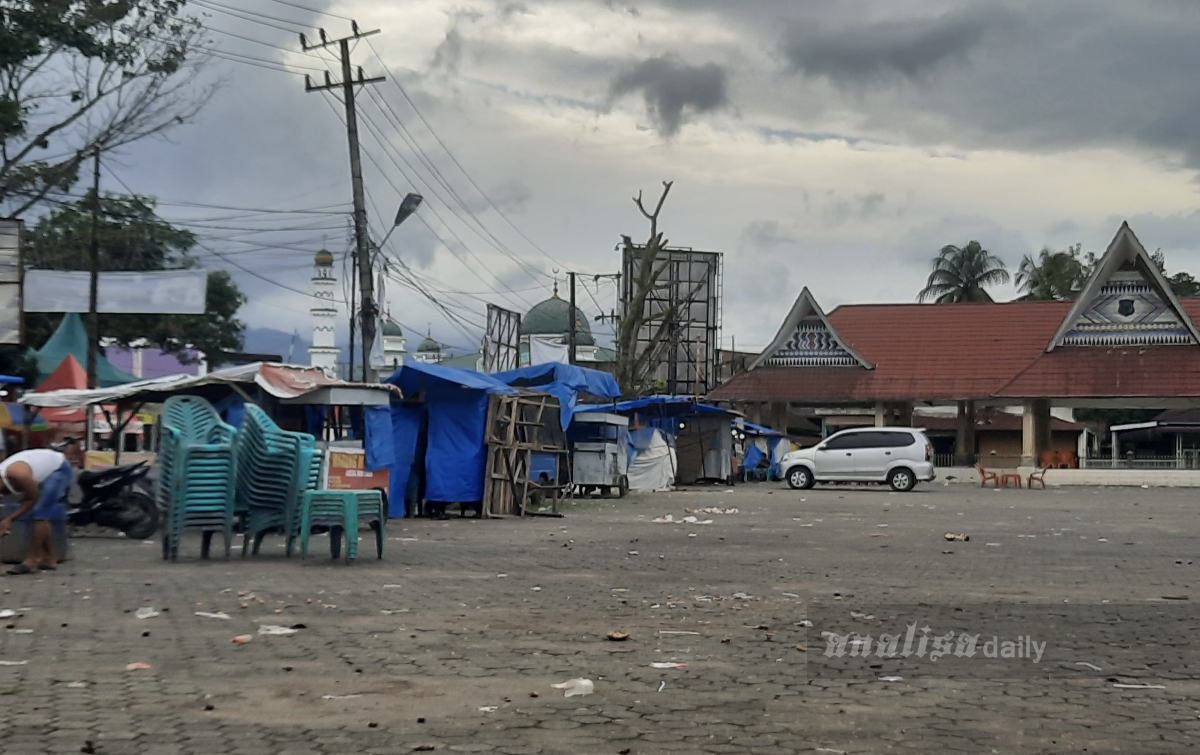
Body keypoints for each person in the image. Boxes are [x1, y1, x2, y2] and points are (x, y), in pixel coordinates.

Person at [0, 441, 84, 574]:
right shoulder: (5, 475)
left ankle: (33, 559)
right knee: (40, 512)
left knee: (40, 512)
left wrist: (10, 518)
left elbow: (33, 499)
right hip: (44, 469)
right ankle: (49, 558)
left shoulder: (17, 474)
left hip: (59, 469)